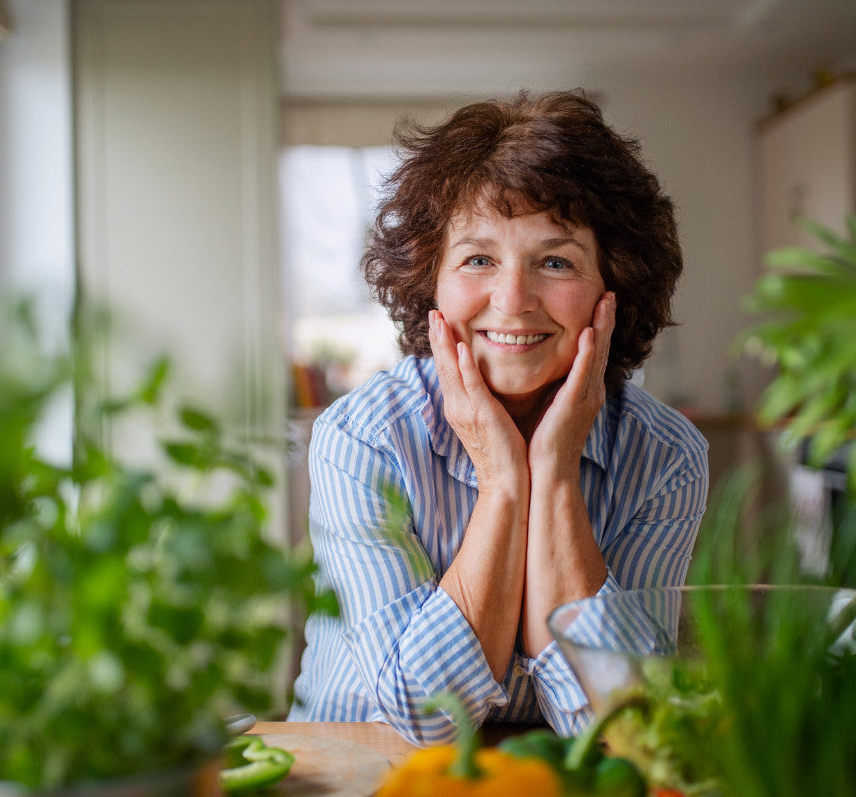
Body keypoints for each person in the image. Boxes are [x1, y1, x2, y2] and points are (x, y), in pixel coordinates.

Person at [287, 89, 708, 745]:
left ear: (612, 287)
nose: (512, 301)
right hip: (362, 767)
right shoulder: (362, 439)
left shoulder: (666, 454)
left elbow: (622, 724)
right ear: (431, 281)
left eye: (556, 261)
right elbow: (425, 718)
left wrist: (557, 474)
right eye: (478, 258)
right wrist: (505, 484)